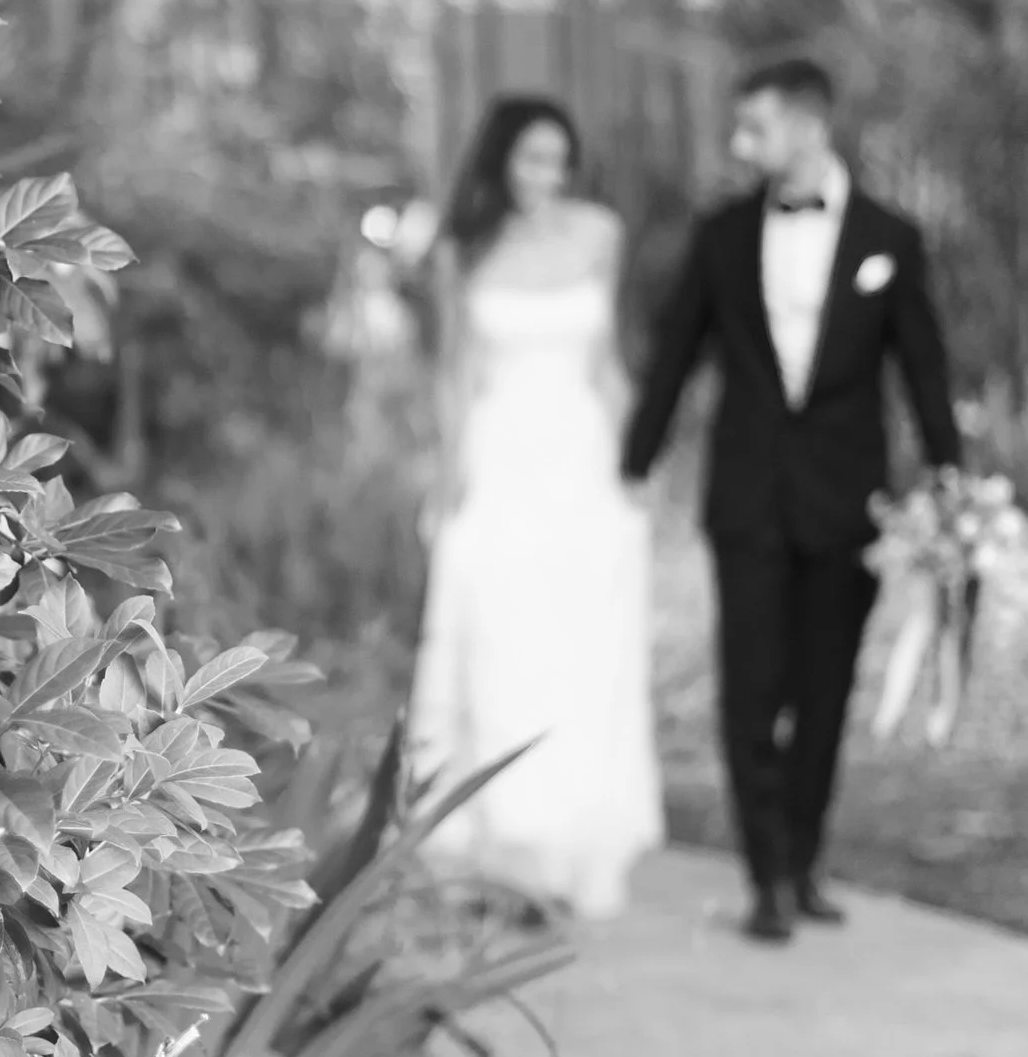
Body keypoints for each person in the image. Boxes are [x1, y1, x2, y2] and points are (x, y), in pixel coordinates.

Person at [620, 56, 958, 943]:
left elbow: (922, 363)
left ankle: (804, 860)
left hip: (850, 502)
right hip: (748, 494)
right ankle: (764, 872)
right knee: (748, 688)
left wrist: (948, 473)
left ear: (808, 128)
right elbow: (676, 353)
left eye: (754, 127)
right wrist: (635, 459)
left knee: (823, 687)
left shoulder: (892, 235)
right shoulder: (723, 233)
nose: (741, 144)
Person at [408, 95, 663, 920]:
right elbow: (452, 377)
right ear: (498, 161)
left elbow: (608, 363)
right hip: (500, 458)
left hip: (581, 462)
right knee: (498, 642)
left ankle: (566, 846)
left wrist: (637, 463)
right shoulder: (462, 249)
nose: (544, 177)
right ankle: (493, 844)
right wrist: (445, 483)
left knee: (578, 650)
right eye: (529, 159)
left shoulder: (600, 235)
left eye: (558, 160)